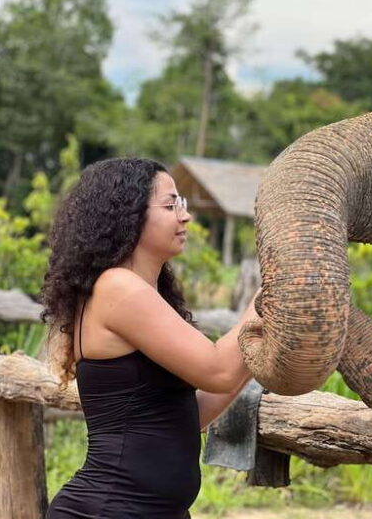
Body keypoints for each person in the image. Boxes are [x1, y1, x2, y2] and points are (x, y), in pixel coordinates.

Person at [42, 158, 255, 518]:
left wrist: (255, 355)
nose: (185, 216)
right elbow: (219, 370)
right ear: (128, 216)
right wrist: (268, 298)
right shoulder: (118, 288)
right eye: (170, 206)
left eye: (181, 204)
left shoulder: (136, 291)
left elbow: (187, 415)